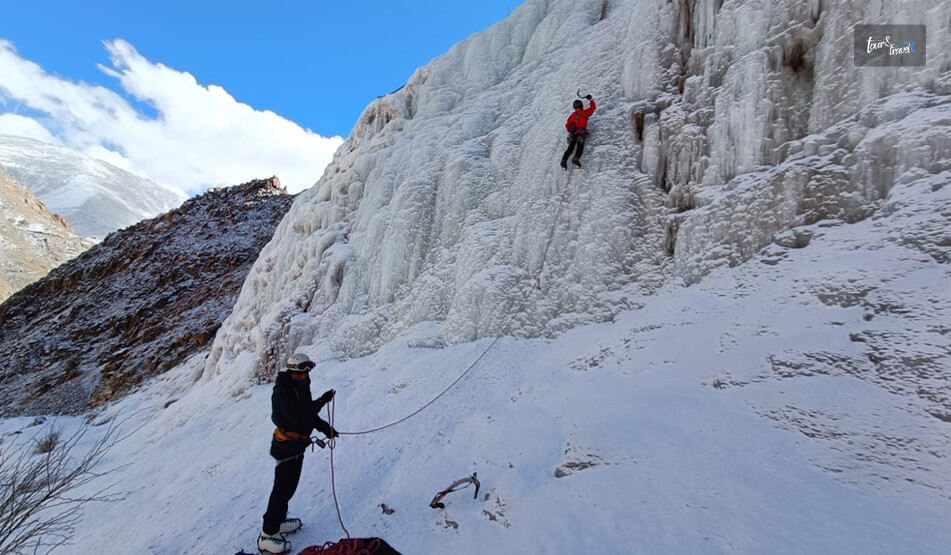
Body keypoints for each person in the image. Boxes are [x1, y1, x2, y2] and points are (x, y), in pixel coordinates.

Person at [258, 353, 339, 554]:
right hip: (286, 446)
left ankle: (278, 521)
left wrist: (324, 428)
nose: (304, 377)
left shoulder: (300, 387)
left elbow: (308, 413)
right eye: (300, 374)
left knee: (289, 487)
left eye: (306, 374)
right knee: (282, 489)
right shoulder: (283, 392)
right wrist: (322, 401)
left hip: (297, 445)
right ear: (292, 372)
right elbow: (299, 417)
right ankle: (267, 534)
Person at [561, 95, 596, 169]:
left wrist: (571, 131)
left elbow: (567, 126)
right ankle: (575, 159)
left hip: (573, 133)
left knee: (570, 147)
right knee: (580, 147)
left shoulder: (572, 116)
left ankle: (564, 161)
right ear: (581, 106)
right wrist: (591, 99)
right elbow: (592, 108)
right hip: (581, 132)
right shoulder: (584, 113)